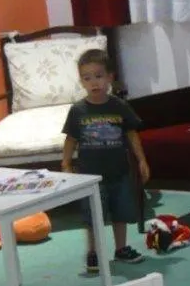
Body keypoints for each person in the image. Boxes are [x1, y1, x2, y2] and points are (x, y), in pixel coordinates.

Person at [62, 48, 150, 273]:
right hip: (90, 176)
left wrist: (141, 160)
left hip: (119, 172)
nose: (94, 83)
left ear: (110, 77)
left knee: (121, 212)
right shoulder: (78, 110)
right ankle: (94, 252)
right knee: (93, 215)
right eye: (87, 78)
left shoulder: (119, 107)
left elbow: (131, 134)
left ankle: (121, 249)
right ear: (81, 81)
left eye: (99, 76)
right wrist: (66, 164)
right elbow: (71, 139)